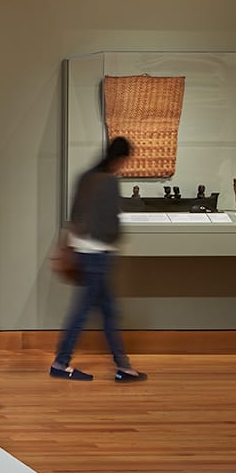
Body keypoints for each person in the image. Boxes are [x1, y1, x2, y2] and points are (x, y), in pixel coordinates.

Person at [50, 136, 147, 382]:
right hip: (98, 255)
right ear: (120, 158)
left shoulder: (85, 177)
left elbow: (74, 216)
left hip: (82, 252)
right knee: (85, 312)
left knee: (107, 312)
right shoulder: (109, 182)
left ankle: (123, 366)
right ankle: (61, 363)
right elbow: (111, 227)